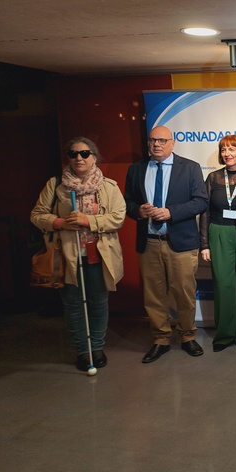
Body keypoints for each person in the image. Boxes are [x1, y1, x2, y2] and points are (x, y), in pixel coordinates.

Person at [31, 137, 125, 371]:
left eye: (84, 153)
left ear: (95, 157)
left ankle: (97, 347)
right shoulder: (55, 185)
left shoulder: (109, 186)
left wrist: (89, 220)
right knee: (73, 304)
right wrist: (60, 222)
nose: (78, 158)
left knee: (98, 302)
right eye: (73, 154)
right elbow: (37, 215)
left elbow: (118, 217)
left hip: (98, 254)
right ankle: (83, 351)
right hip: (68, 256)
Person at [125, 125, 209, 363]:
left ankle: (187, 336)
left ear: (172, 143)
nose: (157, 145)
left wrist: (171, 212)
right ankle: (161, 339)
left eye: (162, 140)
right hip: (149, 243)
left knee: (184, 294)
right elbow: (127, 203)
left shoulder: (190, 168)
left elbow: (201, 201)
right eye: (153, 140)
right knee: (153, 295)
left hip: (181, 244)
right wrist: (139, 211)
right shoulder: (136, 169)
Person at [199, 135, 236, 352]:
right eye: (224, 149)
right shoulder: (213, 178)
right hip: (218, 233)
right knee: (223, 284)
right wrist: (204, 244)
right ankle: (224, 333)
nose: (227, 153)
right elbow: (204, 212)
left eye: (232, 148)